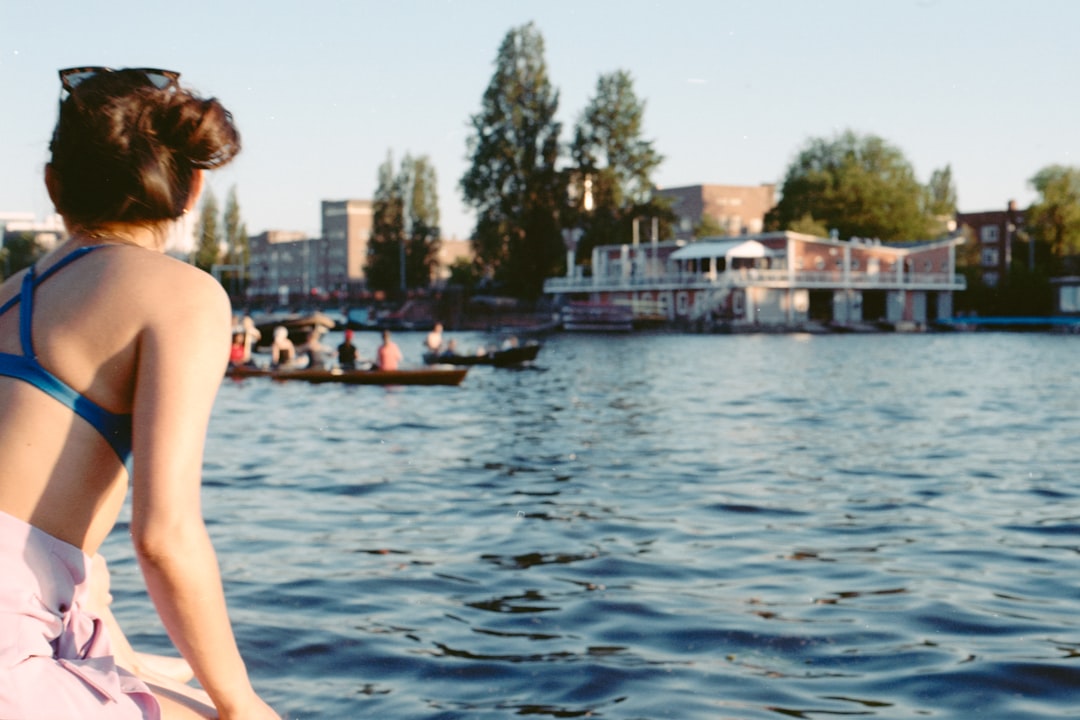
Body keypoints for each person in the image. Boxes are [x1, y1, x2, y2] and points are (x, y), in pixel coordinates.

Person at [0, 66, 278, 718]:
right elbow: (164, 535)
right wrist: (241, 702)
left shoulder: (8, 297)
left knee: (161, 674)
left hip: (27, 621)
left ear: (53, 184)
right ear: (194, 186)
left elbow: (39, 537)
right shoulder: (183, 296)